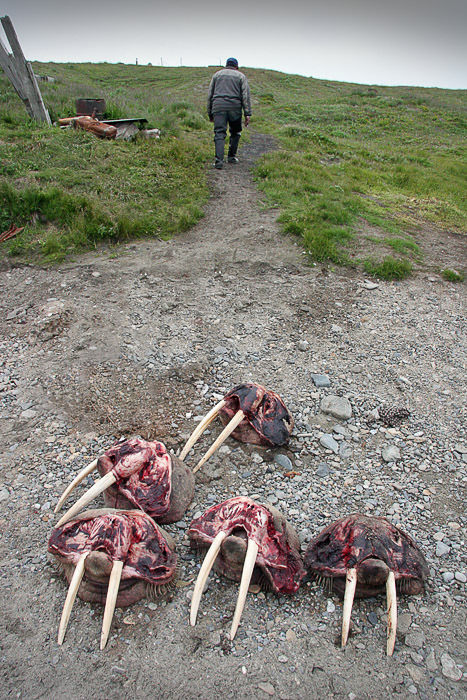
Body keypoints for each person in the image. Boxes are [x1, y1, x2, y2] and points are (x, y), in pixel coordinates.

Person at [207, 58, 252, 169]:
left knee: (219, 133)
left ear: (226, 65)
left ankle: (219, 161)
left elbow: (210, 95)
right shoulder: (241, 76)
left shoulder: (217, 75)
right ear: (236, 67)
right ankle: (231, 157)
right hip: (235, 108)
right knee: (236, 132)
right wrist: (247, 113)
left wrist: (210, 113)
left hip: (218, 106)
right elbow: (245, 96)